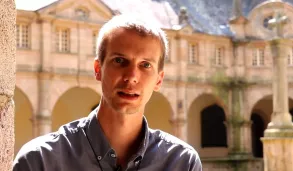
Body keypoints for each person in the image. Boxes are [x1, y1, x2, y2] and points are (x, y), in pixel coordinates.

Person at [13, 15, 203, 171]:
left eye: (145, 65)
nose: (131, 77)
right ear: (98, 69)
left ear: (159, 80)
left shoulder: (182, 163)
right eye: (120, 61)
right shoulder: (40, 161)